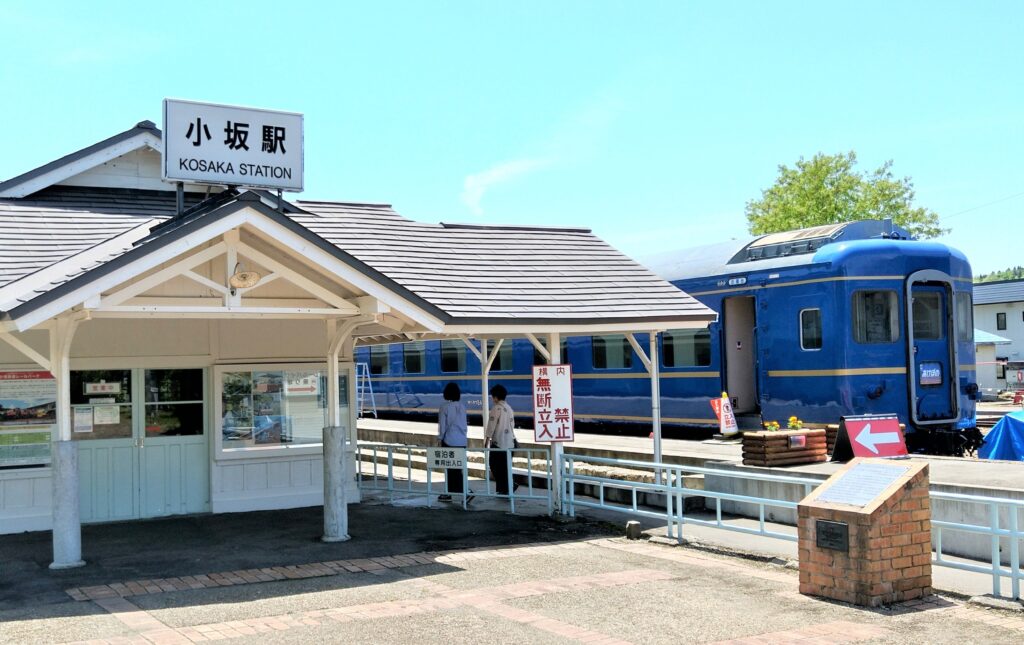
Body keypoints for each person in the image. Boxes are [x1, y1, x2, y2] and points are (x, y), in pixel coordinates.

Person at [437, 382, 471, 503]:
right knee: (458, 468)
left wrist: (440, 438)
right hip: (462, 441)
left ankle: (466, 492)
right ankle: (450, 492)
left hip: (449, 441)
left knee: (451, 469)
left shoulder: (444, 407)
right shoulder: (462, 406)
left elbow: (443, 426)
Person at [484, 384, 517, 495]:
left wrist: (487, 439)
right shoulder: (509, 408)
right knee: (505, 467)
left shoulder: (496, 408)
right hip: (510, 443)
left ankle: (508, 486)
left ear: (496, 397)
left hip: (499, 443)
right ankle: (505, 489)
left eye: (492, 396)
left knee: (494, 464)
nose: (492, 399)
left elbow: (491, 425)